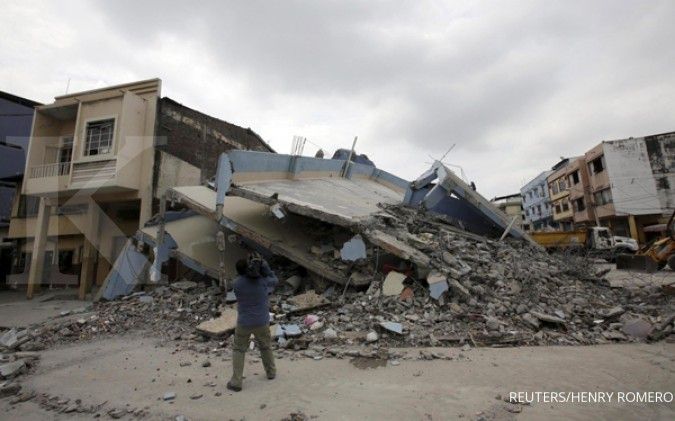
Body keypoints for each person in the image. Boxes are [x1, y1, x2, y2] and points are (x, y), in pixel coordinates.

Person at [227, 254, 278, 392]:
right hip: (262, 321)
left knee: (239, 350)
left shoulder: (237, 284)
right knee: (265, 346)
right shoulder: (262, 281)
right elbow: (275, 280)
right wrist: (265, 266)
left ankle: (236, 381)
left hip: (244, 322)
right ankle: (271, 372)